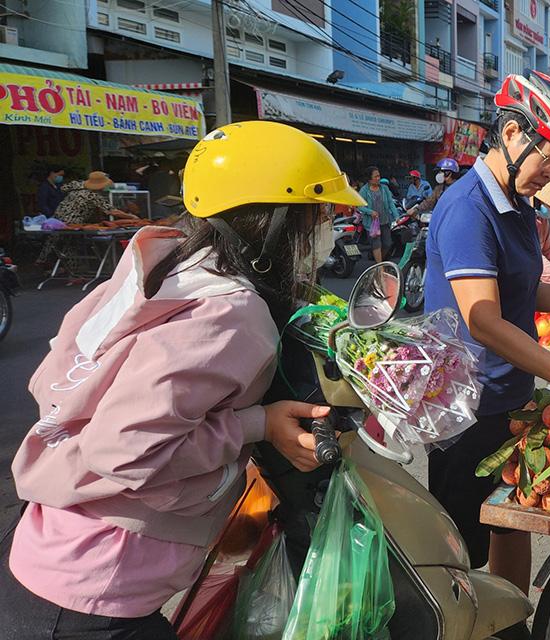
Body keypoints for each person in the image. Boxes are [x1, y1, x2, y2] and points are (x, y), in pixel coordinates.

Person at [0, 121, 365, 639]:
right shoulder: (232, 313)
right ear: (279, 220)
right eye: (320, 212)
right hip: (97, 594)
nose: (326, 228)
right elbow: (125, 449)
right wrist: (255, 424)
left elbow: (59, 379)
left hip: (50, 547)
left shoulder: (164, 269)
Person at [424, 71, 550, 594]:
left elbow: (528, 290)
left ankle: (510, 618)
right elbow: (483, 319)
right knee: (458, 549)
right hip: (466, 407)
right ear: (512, 133)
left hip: (510, 397)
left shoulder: (516, 205)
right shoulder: (469, 209)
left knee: (511, 515)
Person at [54, 171, 138, 225]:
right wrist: (132, 217)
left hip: (56, 221)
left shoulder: (77, 186)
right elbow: (112, 211)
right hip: (71, 225)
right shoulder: (92, 196)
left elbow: (63, 188)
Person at [357, 166, 400, 262]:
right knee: (376, 245)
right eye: (375, 176)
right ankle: (380, 268)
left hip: (385, 221)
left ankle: (379, 262)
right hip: (371, 224)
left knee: (387, 244)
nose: (378, 178)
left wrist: (396, 216)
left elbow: (390, 203)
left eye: (379, 176)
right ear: (369, 178)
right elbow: (359, 206)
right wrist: (370, 212)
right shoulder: (364, 190)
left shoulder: (384, 188)